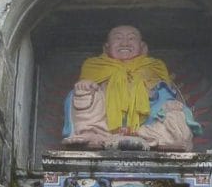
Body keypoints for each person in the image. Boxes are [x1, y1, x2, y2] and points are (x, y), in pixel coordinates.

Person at [62, 25, 200, 151]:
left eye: (131, 38)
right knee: (80, 94)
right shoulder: (94, 65)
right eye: (118, 38)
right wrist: (87, 85)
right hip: (103, 124)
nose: (125, 43)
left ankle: (148, 136)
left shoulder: (154, 66)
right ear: (106, 48)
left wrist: (169, 103)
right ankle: (91, 133)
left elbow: (164, 91)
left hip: (148, 124)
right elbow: (85, 88)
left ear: (143, 47)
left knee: (177, 114)